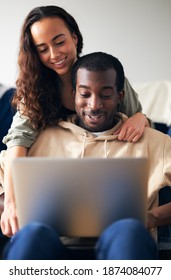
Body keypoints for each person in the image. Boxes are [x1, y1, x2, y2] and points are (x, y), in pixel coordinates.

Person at [2, 52, 171, 260]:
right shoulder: (40, 139)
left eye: (106, 95)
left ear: (120, 96)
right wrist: (14, 208)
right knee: (31, 235)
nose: (94, 105)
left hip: (120, 244)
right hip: (52, 245)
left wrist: (153, 217)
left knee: (129, 231)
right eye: (85, 94)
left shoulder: (155, 141)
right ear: (73, 95)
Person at [0, 6, 150, 238]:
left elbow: (136, 123)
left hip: (102, 175)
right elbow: (17, 142)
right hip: (52, 181)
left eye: (59, 42)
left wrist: (142, 118)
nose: (54, 54)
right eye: (43, 49)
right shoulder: (34, 90)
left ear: (74, 37)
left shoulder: (107, 73)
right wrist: (11, 202)